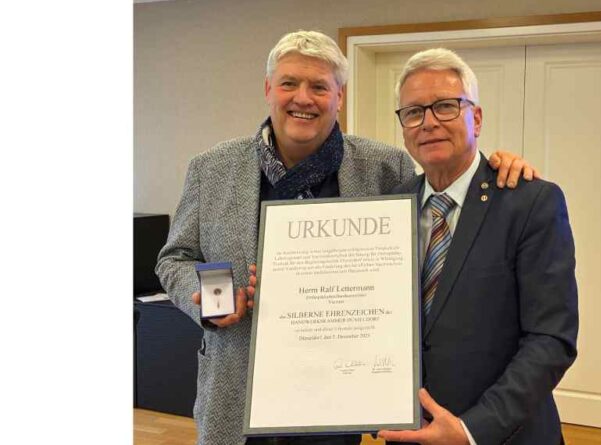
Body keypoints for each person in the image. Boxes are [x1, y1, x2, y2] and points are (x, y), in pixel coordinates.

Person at [155, 31, 535, 445]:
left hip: (341, 398)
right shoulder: (212, 169)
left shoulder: (384, 167)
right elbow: (174, 257)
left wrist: (497, 166)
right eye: (289, 83)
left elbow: (444, 183)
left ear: (340, 97)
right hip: (236, 393)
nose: (303, 98)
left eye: (319, 86)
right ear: (268, 89)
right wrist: (214, 296)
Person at [376, 48, 579, 445]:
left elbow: (551, 339)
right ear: (403, 127)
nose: (429, 122)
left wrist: (472, 431)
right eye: (414, 112)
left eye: (446, 106)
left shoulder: (529, 202)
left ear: (477, 117)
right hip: (411, 435)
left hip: (504, 436)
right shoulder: (389, 209)